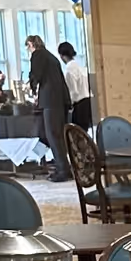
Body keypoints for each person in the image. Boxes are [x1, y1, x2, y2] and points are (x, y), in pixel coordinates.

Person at [24, 33, 71, 180]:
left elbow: (35, 75)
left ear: (31, 44)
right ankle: (64, 168)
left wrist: (31, 88)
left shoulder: (38, 55)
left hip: (50, 100)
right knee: (58, 136)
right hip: (60, 100)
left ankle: (63, 171)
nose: (28, 50)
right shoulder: (51, 56)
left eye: (28, 47)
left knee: (53, 136)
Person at [58, 40, 92, 132]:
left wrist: (68, 105)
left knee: (78, 134)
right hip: (88, 102)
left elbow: (73, 92)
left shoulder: (69, 70)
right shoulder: (80, 66)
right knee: (85, 133)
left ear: (61, 55)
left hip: (79, 106)